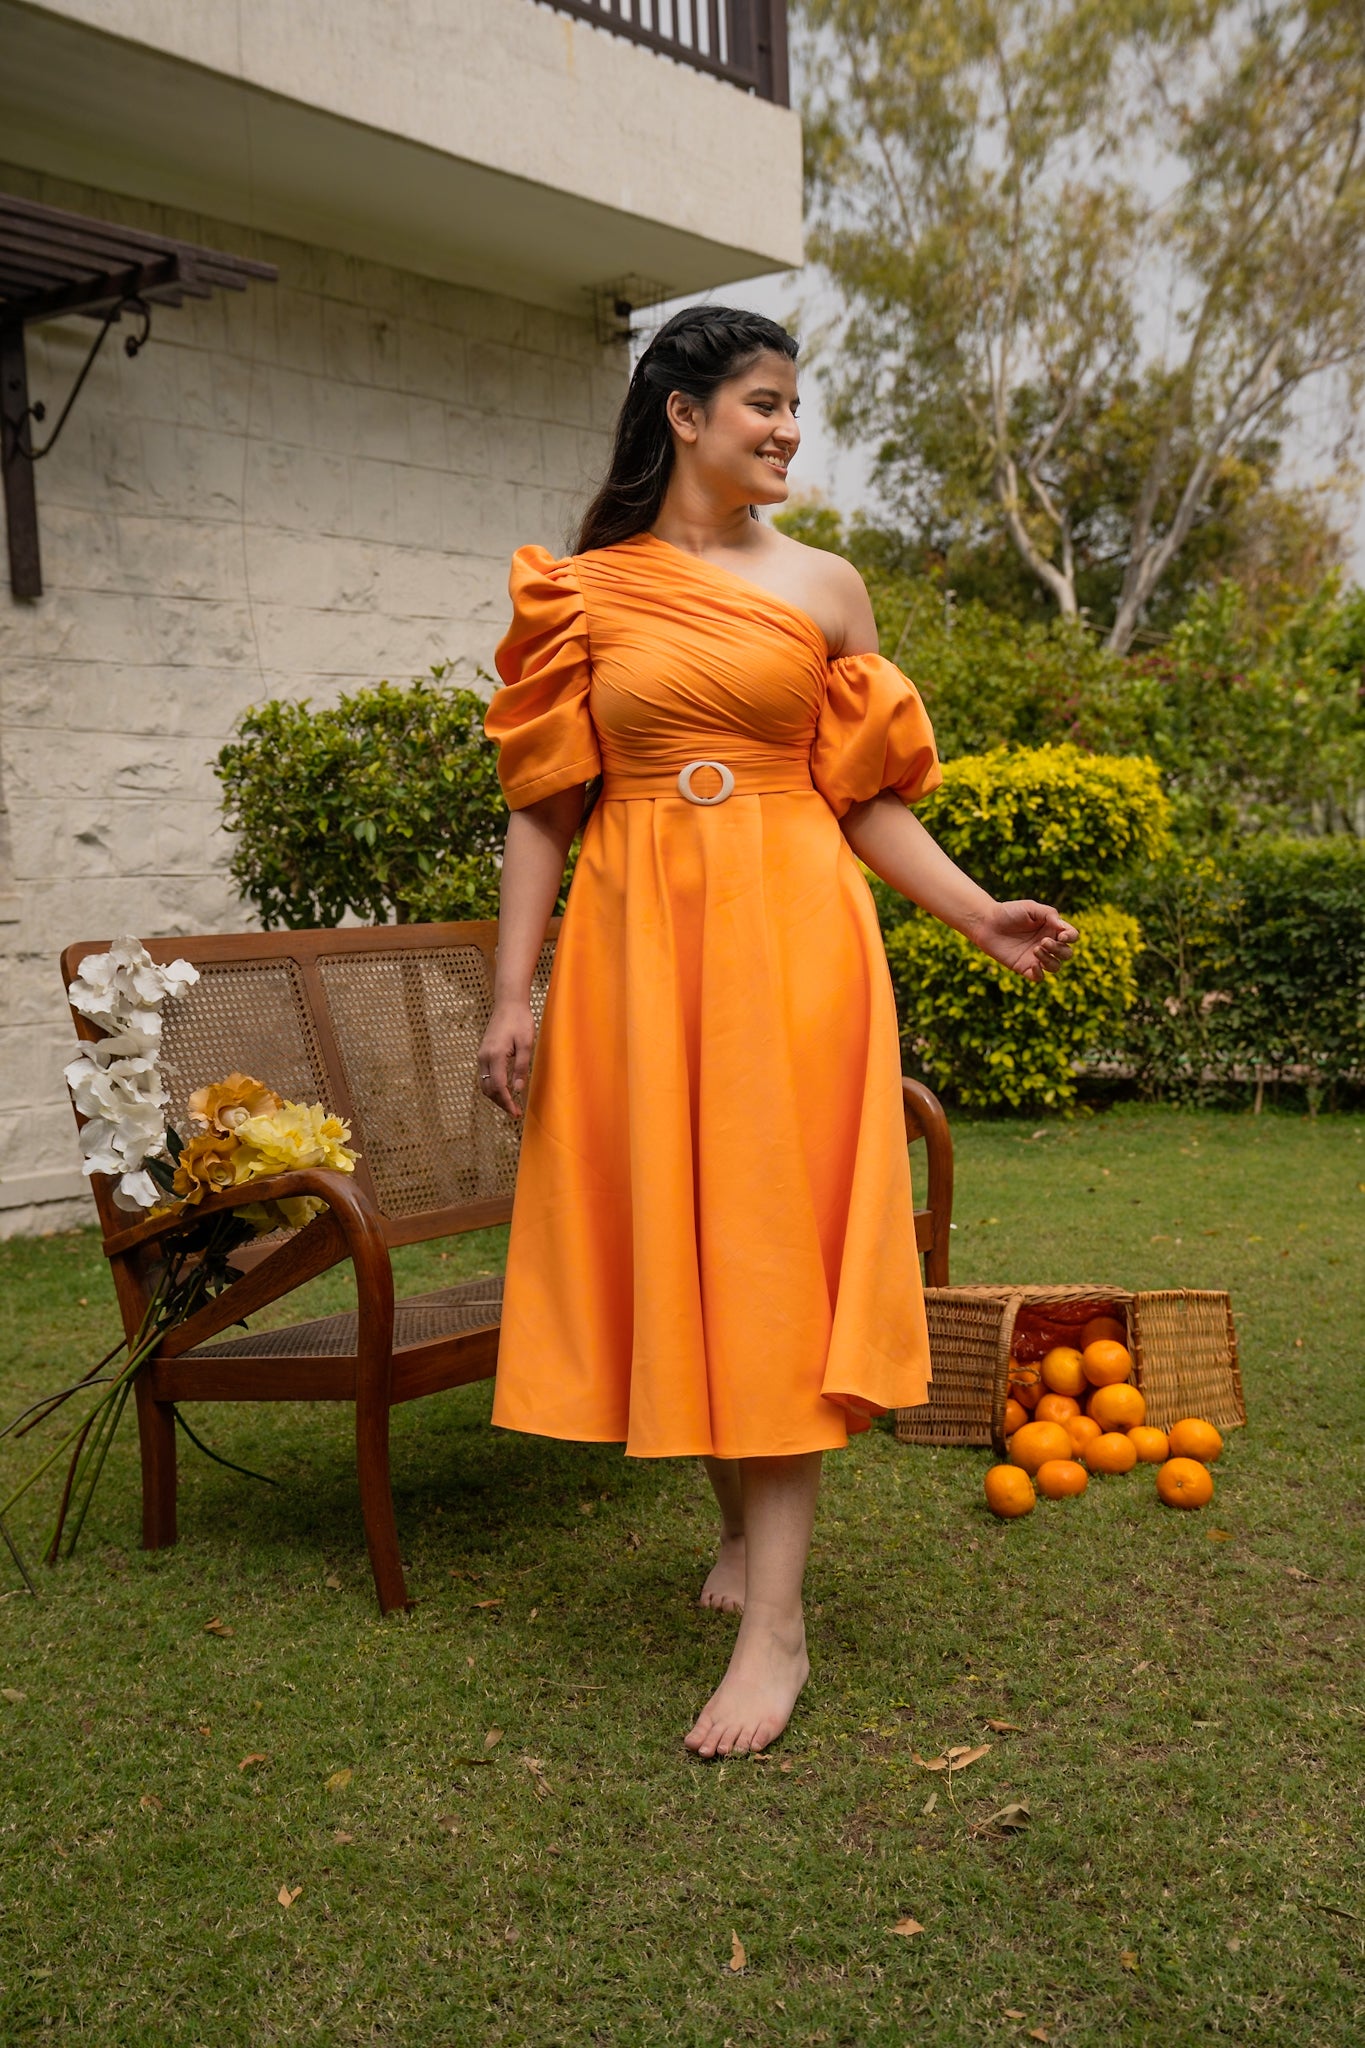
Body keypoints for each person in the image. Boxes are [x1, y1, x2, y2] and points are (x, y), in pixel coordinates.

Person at [476, 306, 1076, 1761]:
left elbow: (862, 794)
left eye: (796, 407)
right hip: (632, 940)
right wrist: (513, 992)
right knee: (682, 1229)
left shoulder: (826, 587)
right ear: (681, 414)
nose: (787, 430)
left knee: (763, 1242)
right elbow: (544, 802)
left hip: (791, 938)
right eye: (762, 403)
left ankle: (778, 1628)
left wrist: (975, 913)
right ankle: (741, 1539)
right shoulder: (579, 593)